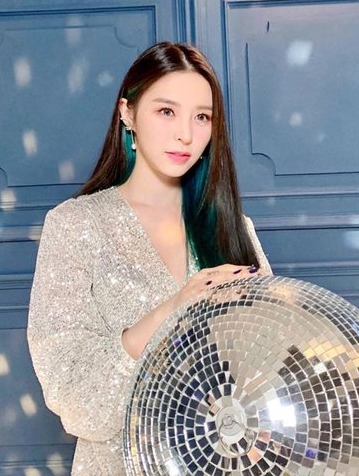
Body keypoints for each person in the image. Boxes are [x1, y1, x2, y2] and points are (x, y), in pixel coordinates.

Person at [27, 41, 272, 475]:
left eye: (202, 117)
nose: (185, 135)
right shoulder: (76, 225)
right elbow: (73, 397)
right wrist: (173, 310)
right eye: (166, 111)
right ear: (127, 113)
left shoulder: (234, 228)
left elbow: (267, 368)